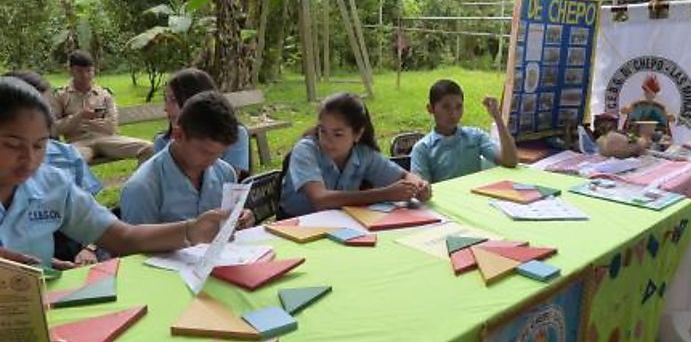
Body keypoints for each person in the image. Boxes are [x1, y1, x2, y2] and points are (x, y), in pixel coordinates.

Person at [0, 77, 226, 268]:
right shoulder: (145, 182)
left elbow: (123, 238)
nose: (29, 158)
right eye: (12, 144)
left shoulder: (53, 185)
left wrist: (191, 230)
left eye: (39, 145)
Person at [3, 70, 104, 266]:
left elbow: (94, 217)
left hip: (68, 250)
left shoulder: (67, 156)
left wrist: (88, 249)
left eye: (45, 108)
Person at [280, 92, 431, 218]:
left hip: (339, 223)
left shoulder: (362, 154)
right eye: (322, 131)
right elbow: (320, 199)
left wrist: (418, 186)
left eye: (337, 134)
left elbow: (404, 176)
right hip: (296, 226)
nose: (327, 140)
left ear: (357, 134)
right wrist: (385, 194)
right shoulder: (306, 150)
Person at [120, 91, 256, 228]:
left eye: (219, 154)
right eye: (205, 152)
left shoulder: (225, 173)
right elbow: (136, 247)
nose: (213, 162)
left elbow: (227, 231)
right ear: (178, 135)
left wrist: (239, 220)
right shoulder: (142, 188)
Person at [49, 50, 153, 164]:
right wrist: (80, 116)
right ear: (71, 71)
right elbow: (54, 129)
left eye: (89, 71)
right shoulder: (60, 96)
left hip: (107, 140)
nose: (85, 76)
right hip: (79, 143)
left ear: (94, 71)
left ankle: (140, 182)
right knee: (74, 162)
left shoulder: (104, 94)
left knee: (148, 148)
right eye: (79, 71)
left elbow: (111, 126)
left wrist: (78, 123)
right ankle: (84, 183)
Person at [410, 79, 518, 183]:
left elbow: (510, 161)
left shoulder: (475, 137)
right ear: (431, 109)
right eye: (446, 107)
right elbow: (421, 191)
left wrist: (497, 116)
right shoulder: (422, 149)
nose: (453, 114)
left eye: (459, 107)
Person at [156, 68, 250, 179]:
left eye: (173, 100)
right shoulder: (162, 142)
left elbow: (227, 184)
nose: (166, 108)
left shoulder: (234, 135)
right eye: (165, 99)